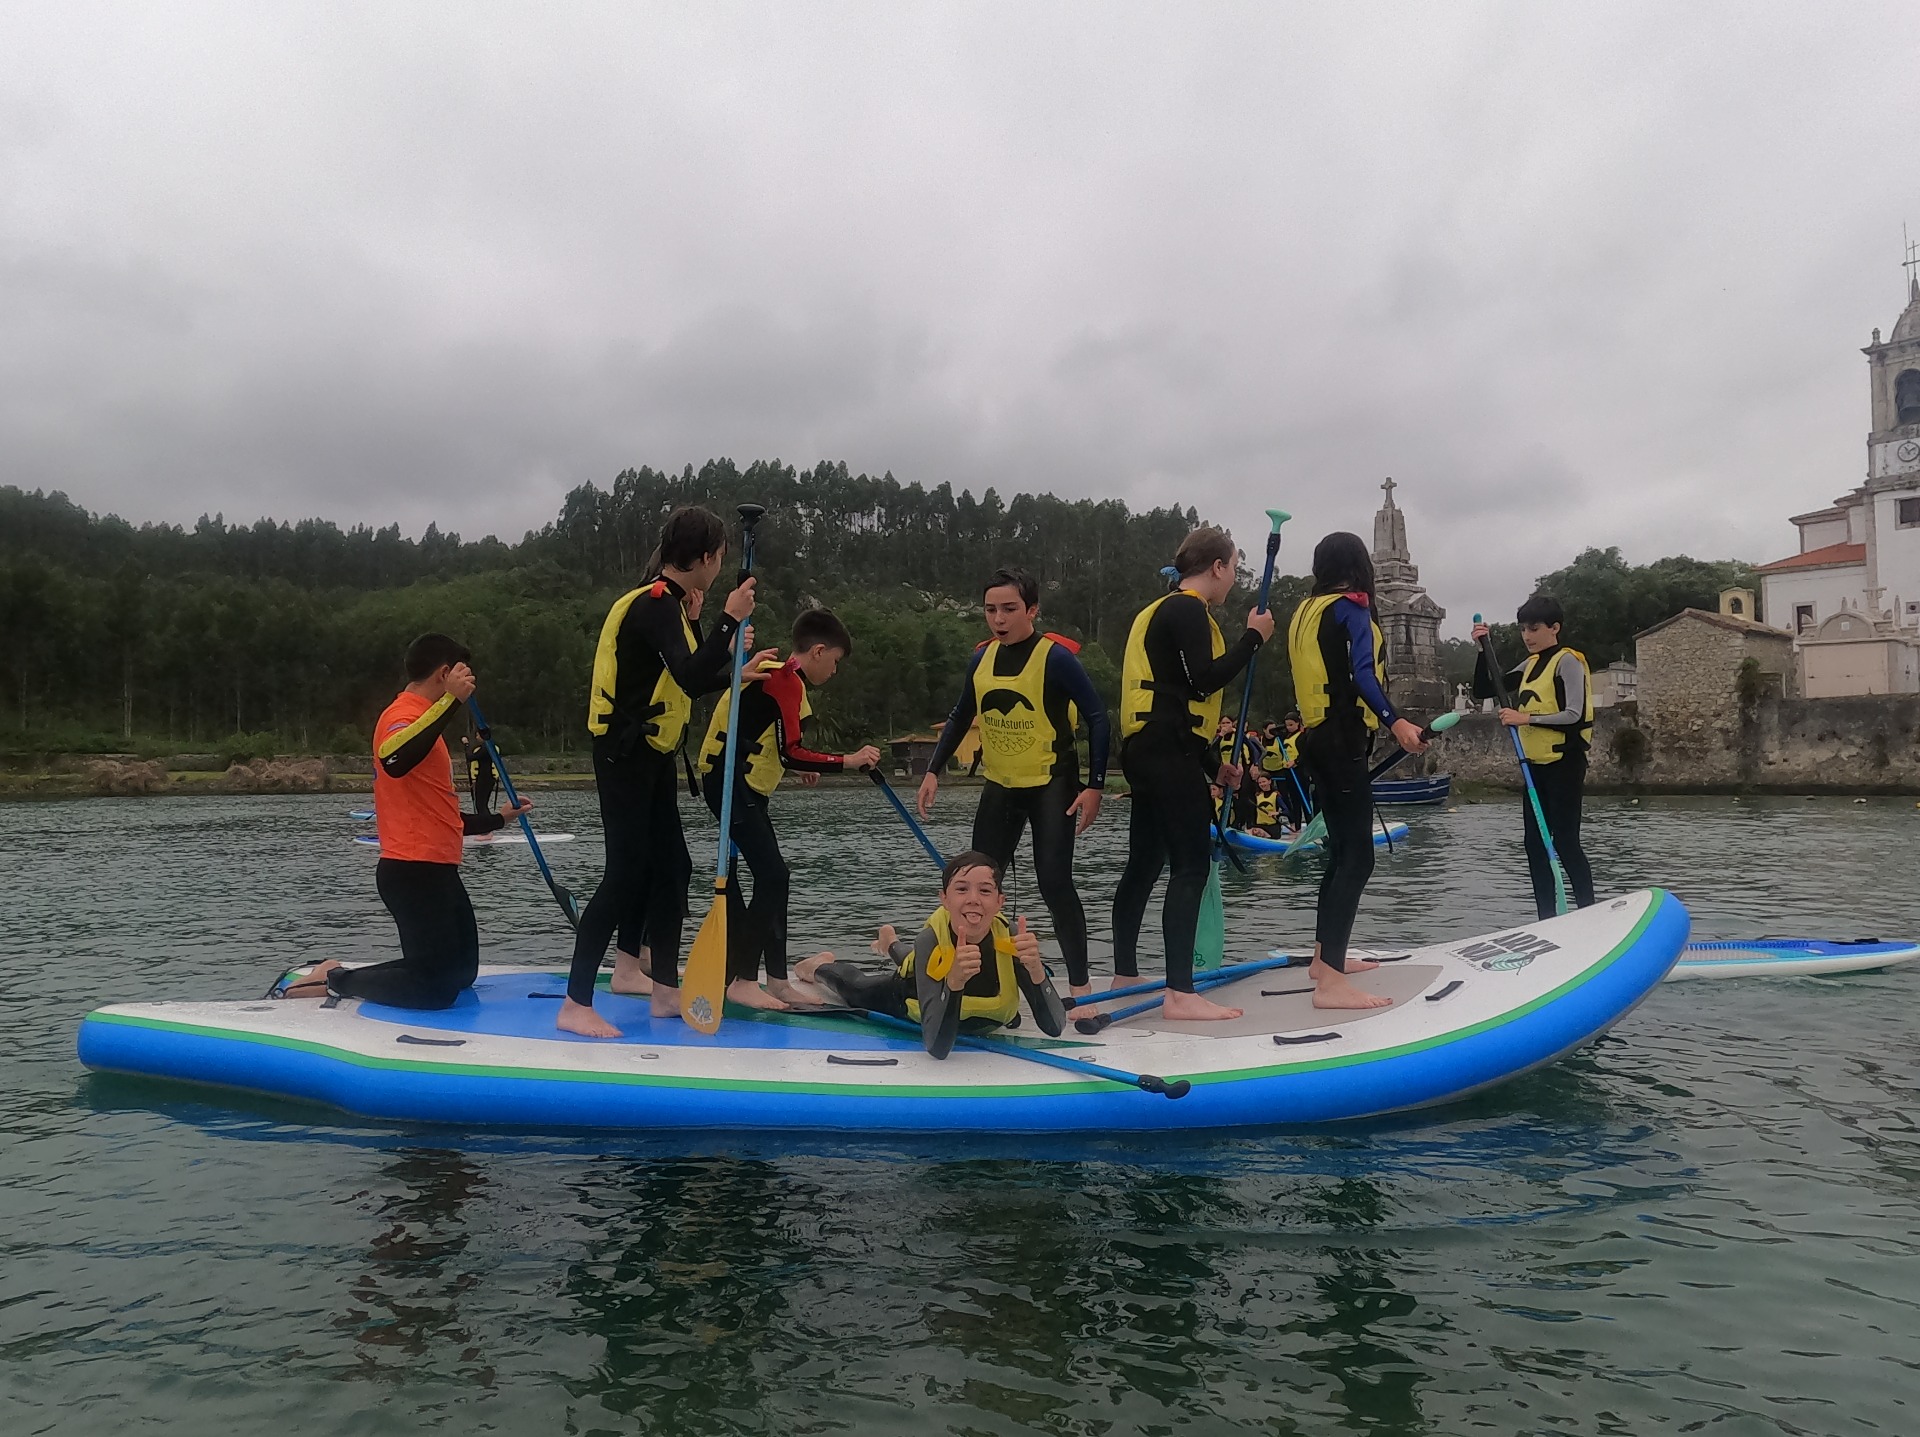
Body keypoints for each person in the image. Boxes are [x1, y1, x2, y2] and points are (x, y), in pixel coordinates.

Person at [560, 506, 772, 1039]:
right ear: (703, 558)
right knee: (624, 873)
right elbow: (690, 675)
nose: (720, 567)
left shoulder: (674, 605)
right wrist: (727, 619)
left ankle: (662, 991)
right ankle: (575, 1002)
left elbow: (689, 672)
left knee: (674, 867)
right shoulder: (655, 603)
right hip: (624, 756)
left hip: (653, 754)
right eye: (718, 558)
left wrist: (728, 655)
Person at [281, 634, 532, 1007]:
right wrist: (451, 701)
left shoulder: (425, 724)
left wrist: (498, 819)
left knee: (461, 973)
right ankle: (331, 979)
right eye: (461, 673)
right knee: (435, 989)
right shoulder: (402, 716)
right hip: (412, 871)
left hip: (438, 868)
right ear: (445, 673)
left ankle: (350, 973)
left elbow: (442, 815)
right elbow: (394, 760)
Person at [916, 567, 1110, 1001]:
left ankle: (1079, 986)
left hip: (1051, 785)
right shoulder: (980, 658)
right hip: (1000, 786)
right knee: (975, 883)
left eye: (1009, 609)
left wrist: (1094, 786)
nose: (999, 619)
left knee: (1054, 883)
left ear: (1032, 610)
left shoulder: (1056, 658)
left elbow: (1098, 717)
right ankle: (978, 981)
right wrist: (933, 770)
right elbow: (960, 715)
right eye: (990, 610)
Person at [1107, 527, 1274, 1021]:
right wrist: (1253, 639)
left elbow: (1175, 699)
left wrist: (1211, 764)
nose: (1234, 580)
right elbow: (1204, 680)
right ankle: (1180, 994)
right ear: (1218, 567)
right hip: (1163, 754)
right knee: (1191, 866)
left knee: (1144, 863)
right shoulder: (1186, 608)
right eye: (1234, 568)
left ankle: (1124, 974)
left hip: (1153, 749)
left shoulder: (1163, 610)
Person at [695, 607, 882, 1010]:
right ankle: (744, 980)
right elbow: (792, 751)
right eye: (834, 662)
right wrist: (846, 761)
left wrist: (798, 765)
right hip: (727, 785)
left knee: (776, 877)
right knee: (774, 875)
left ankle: (777, 980)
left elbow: (779, 744)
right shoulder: (784, 679)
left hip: (749, 787)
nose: (834, 671)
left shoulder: (786, 679)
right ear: (817, 652)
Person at [1287, 532, 1427, 1010]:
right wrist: (1398, 720)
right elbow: (1363, 674)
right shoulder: (1352, 608)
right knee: (1358, 858)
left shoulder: (1306, 611)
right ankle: (1329, 984)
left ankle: (1325, 959)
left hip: (1315, 739)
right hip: (1344, 738)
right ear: (1359, 566)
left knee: (1340, 853)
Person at [794, 851, 1066, 1057]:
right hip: (908, 993)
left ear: (999, 902)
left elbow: (1054, 1027)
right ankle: (816, 966)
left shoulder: (1012, 941)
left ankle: (890, 941)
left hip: (949, 985)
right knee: (855, 986)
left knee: (909, 955)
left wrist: (1038, 973)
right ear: (944, 899)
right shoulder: (929, 941)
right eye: (961, 889)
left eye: (985, 890)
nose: (973, 899)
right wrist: (955, 983)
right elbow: (936, 1047)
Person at [1471, 596, 1597, 919]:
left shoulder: (1568, 661)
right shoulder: (1530, 665)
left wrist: (1525, 719)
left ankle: (1589, 913)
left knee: (1566, 842)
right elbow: (1485, 689)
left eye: (1535, 628)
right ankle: (1547, 919)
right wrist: (1482, 651)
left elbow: (1574, 714)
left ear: (1555, 628)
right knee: (1535, 844)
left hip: (1565, 763)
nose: (1528, 636)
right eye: (1524, 629)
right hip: (1535, 768)